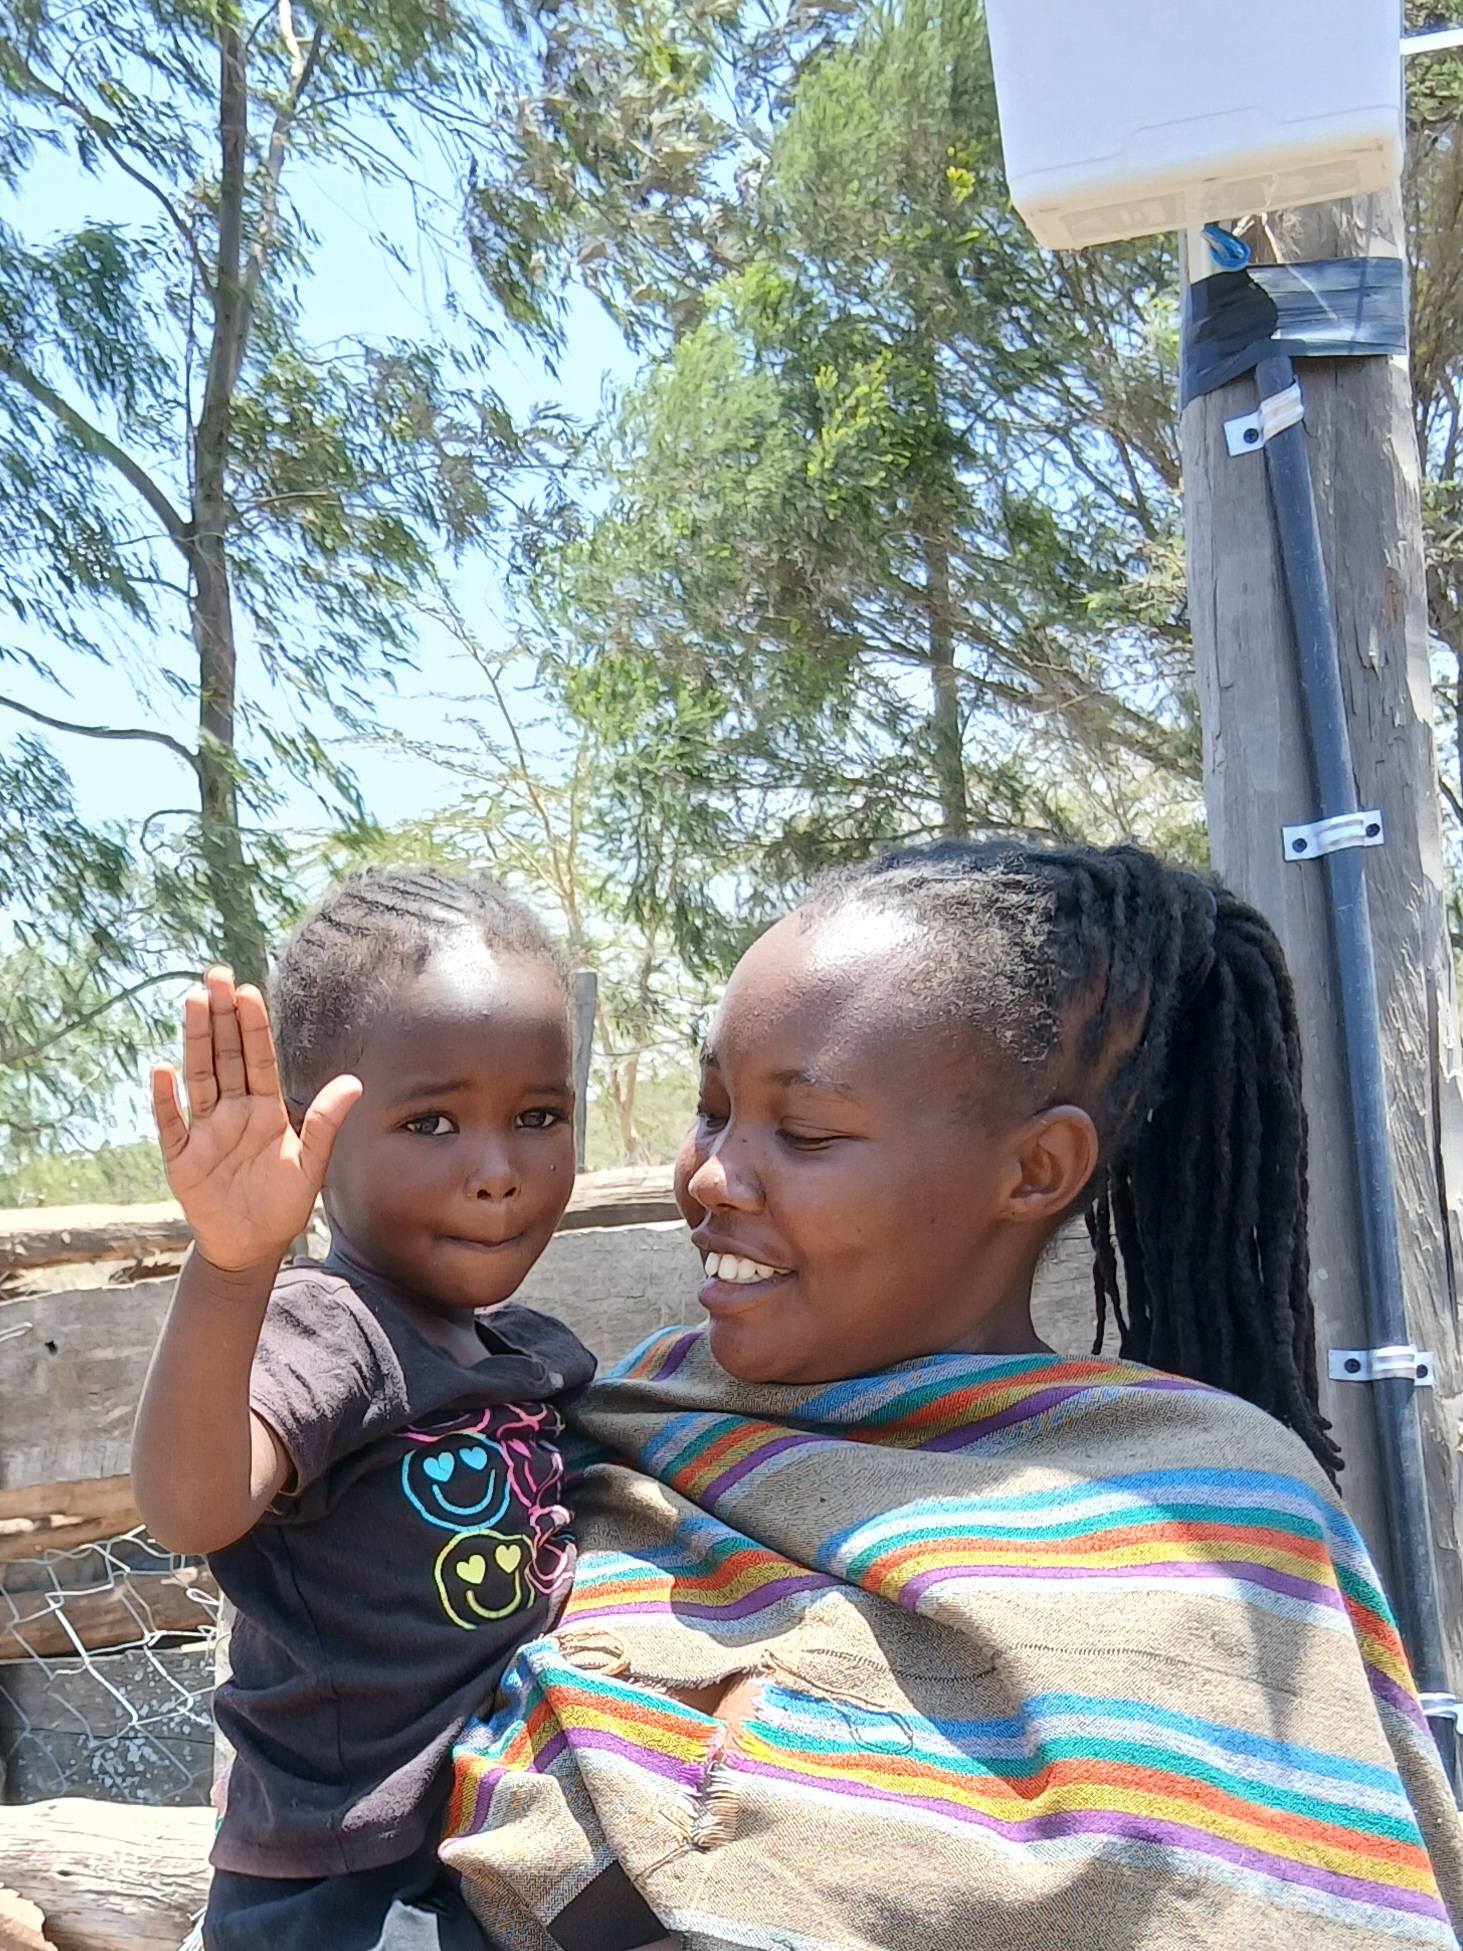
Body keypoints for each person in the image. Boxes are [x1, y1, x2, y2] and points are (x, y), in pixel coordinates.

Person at [443, 840, 1463, 1951]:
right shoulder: (602, 1428)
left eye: (806, 1132)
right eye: (712, 1108)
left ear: (1033, 1170)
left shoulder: (1217, 1519)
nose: (708, 1176)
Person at [132, 869, 596, 1951]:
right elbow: (192, 1507)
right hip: (339, 1868)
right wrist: (234, 1267)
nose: (497, 1170)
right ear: (313, 1142)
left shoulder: (529, 1354)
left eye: (537, 1115)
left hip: (495, 1832)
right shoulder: (329, 1327)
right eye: (431, 1120)